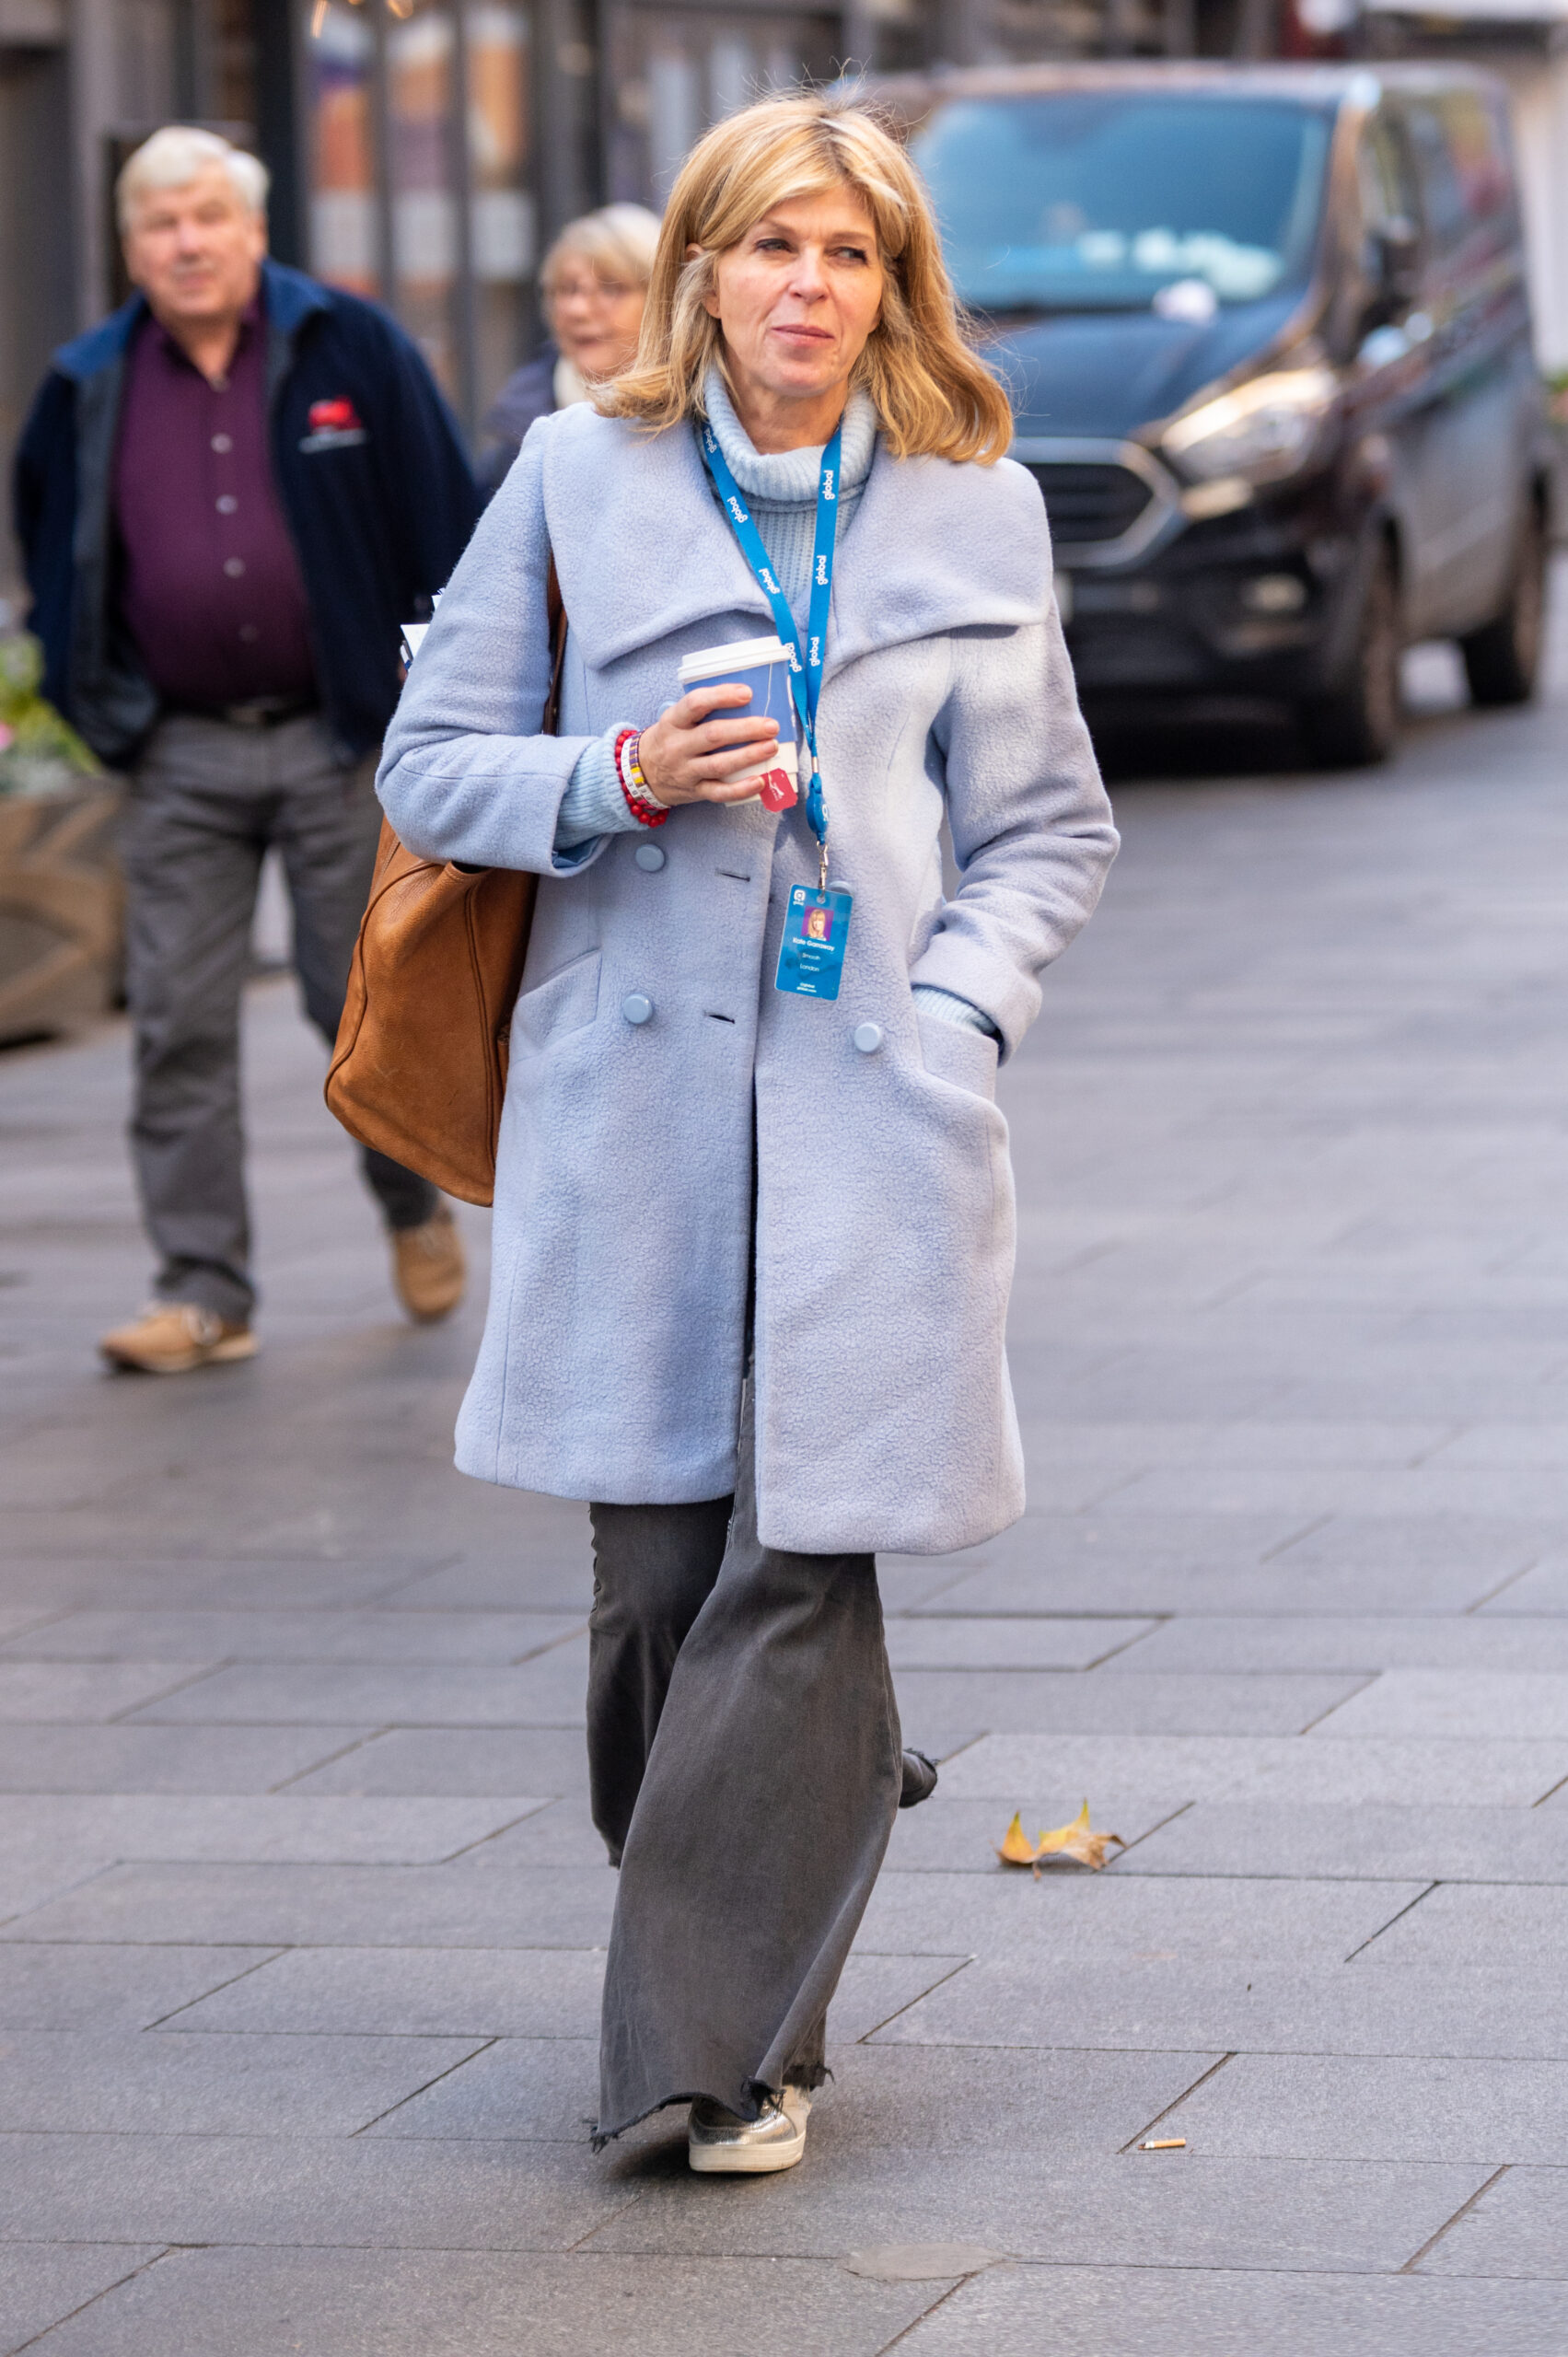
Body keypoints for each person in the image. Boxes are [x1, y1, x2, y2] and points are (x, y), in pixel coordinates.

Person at [377, 93, 1118, 2172]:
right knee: (651, 1591)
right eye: (774, 246)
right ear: (701, 268)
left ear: (893, 288)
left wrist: (959, 1008)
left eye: (851, 255)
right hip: (630, 1117)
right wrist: (611, 766)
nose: (810, 287)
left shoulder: (978, 510)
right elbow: (429, 767)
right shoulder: (571, 478)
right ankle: (799, 1810)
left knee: (799, 1561)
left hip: (876, 1114)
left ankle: (713, 2053)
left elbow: (1048, 823)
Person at [12, 126, 479, 1375]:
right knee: (175, 1024)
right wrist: (101, 706)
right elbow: (52, 550)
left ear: (254, 230)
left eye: (207, 215)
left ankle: (410, 1203)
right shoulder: (88, 382)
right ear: (130, 246)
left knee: (359, 1005)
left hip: (342, 744)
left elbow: (446, 522)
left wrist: (431, 708)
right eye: (161, 222)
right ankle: (203, 1290)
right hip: (180, 754)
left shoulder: (350, 346)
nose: (186, 240)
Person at [476, 203, 660, 495]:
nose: (576, 309)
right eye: (567, 289)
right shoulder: (515, 442)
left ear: (662, 301)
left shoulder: (705, 423)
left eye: (610, 288)